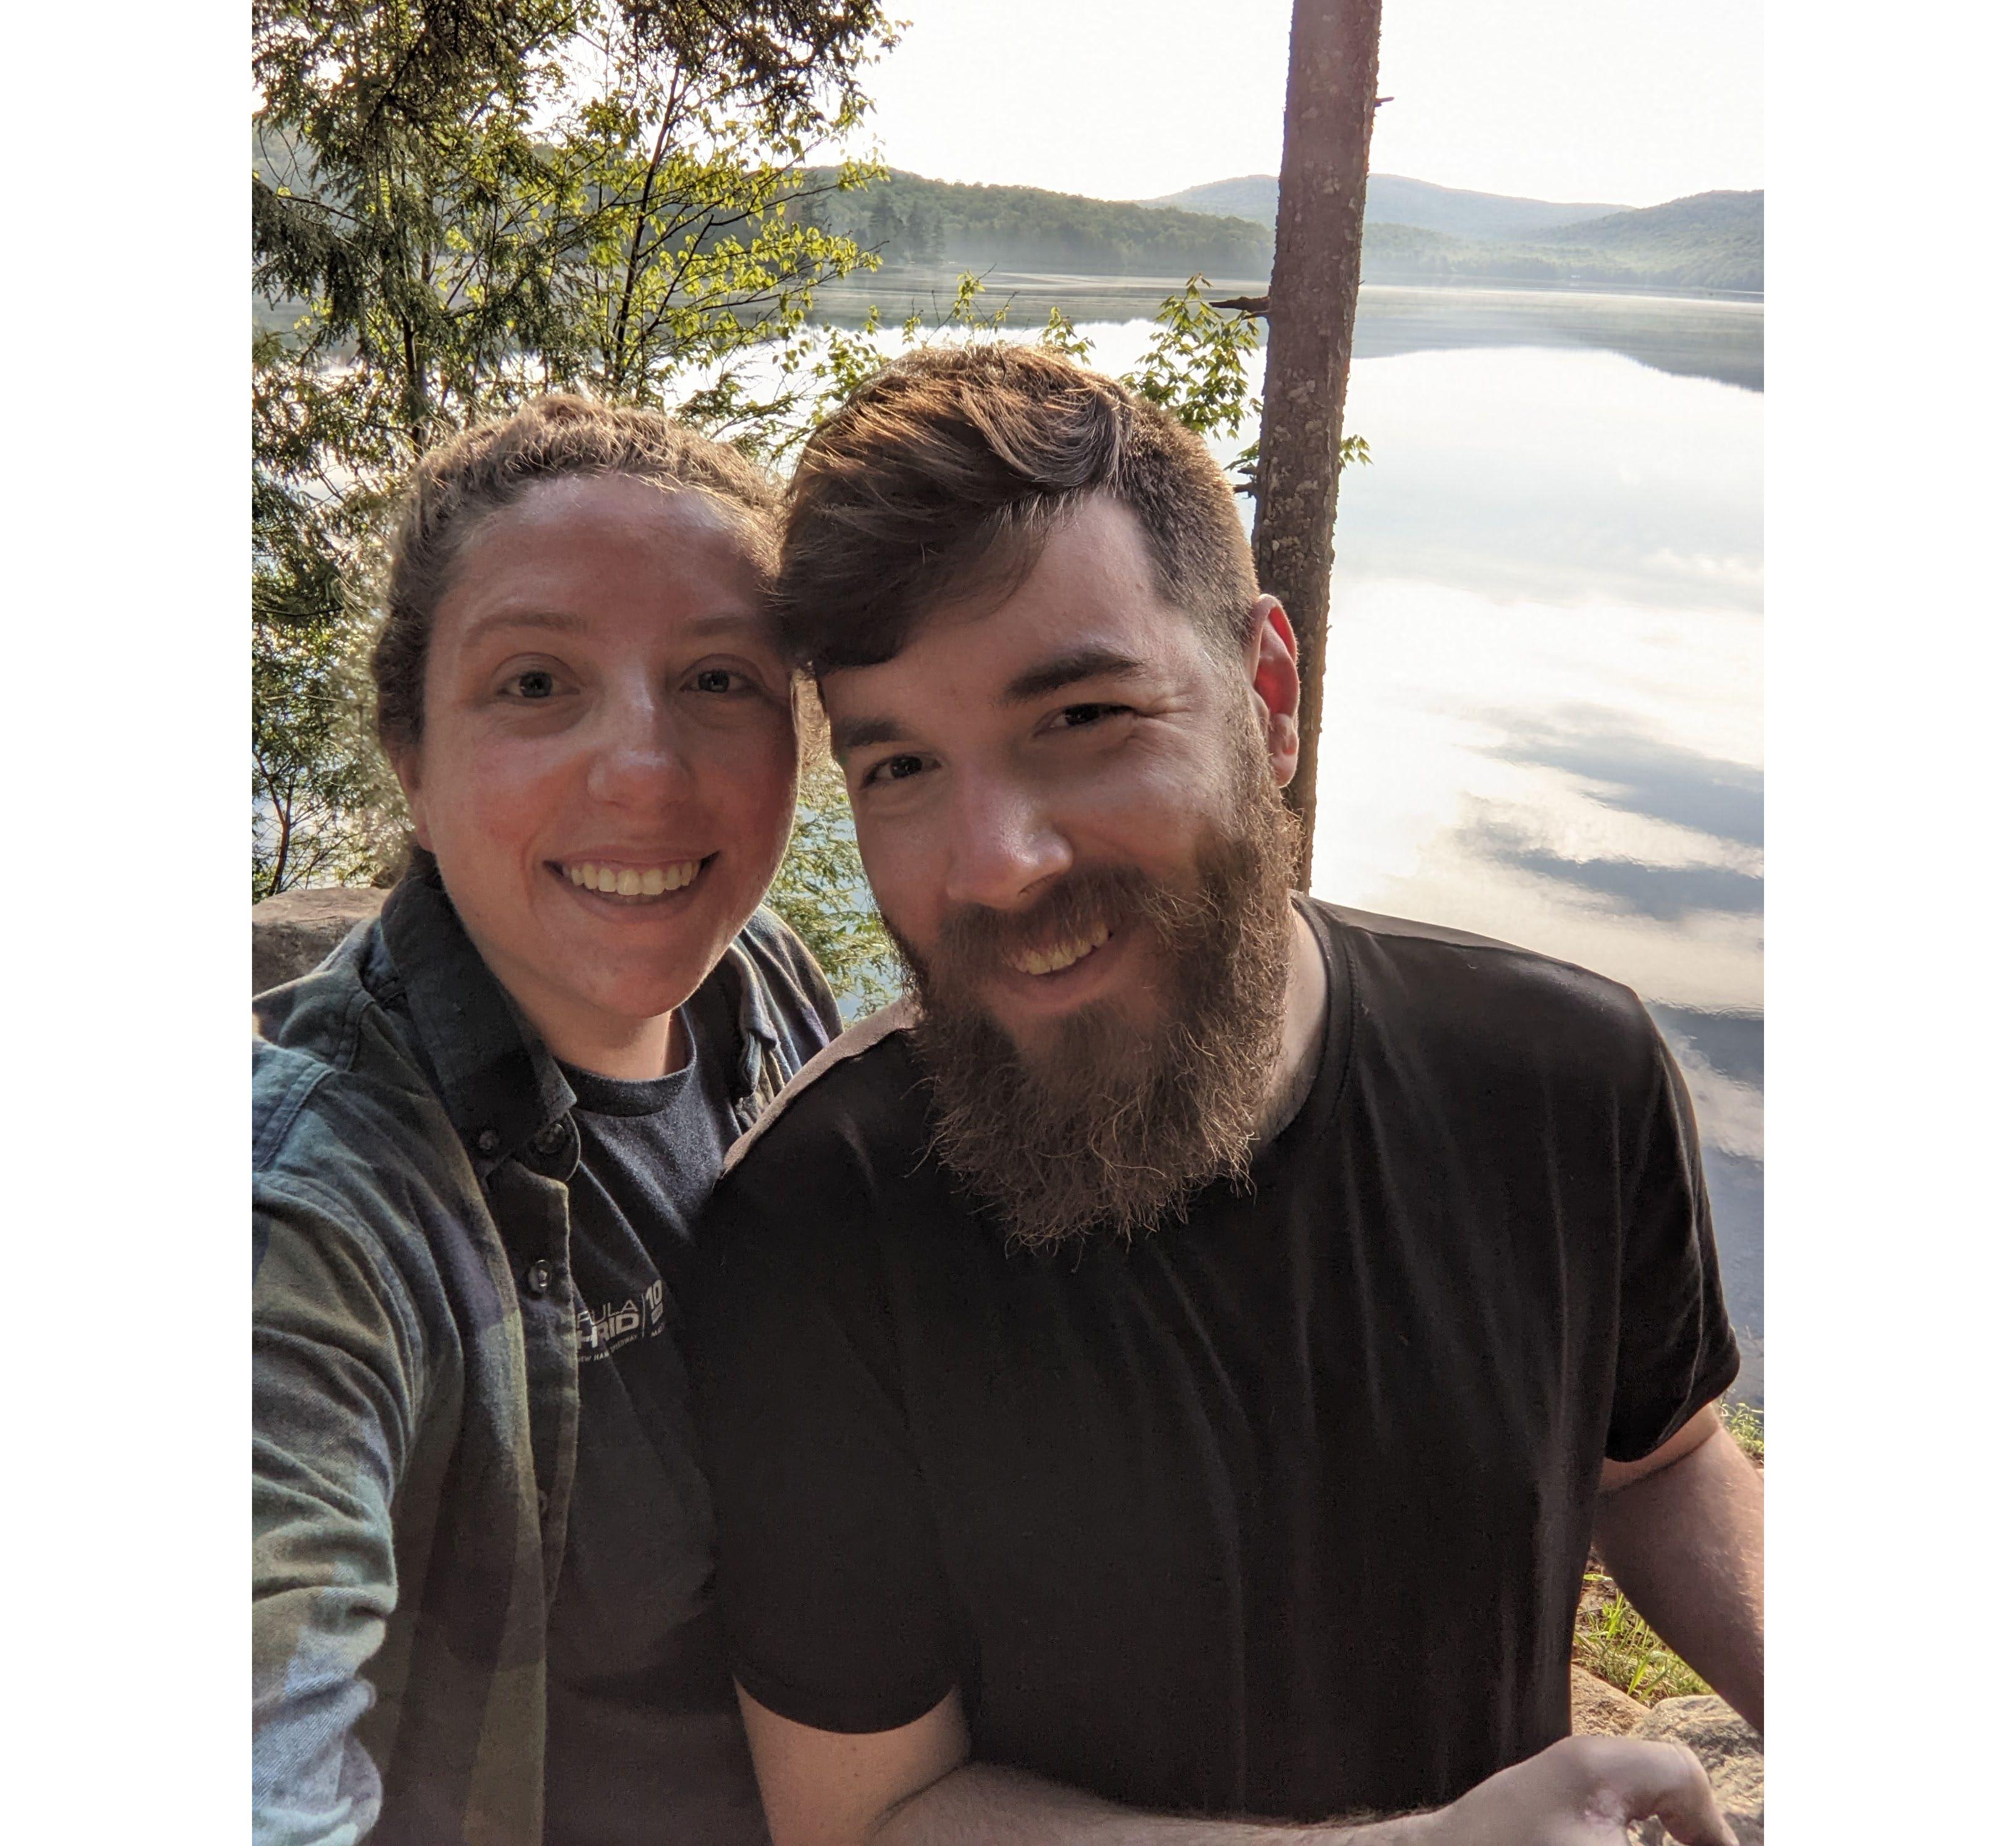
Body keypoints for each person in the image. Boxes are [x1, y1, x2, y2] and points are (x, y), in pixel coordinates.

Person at [686, 345, 1763, 1846]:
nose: (997, 861)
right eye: (903, 767)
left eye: (1081, 720)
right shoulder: (816, 1228)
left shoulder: (1566, 1078)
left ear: (1268, 695)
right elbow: (873, 1818)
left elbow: (1659, 1457)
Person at [253, 394, 841, 1845]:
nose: (644, 770)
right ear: (411, 756)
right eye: (534, 684)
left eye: (718, 679)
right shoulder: (312, 1222)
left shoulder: (763, 991)